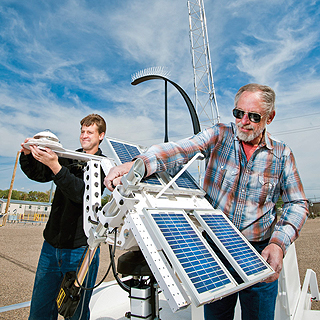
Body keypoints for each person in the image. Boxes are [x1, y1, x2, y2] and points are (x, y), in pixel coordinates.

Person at [104, 84, 308, 320]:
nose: (243, 121)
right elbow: (181, 149)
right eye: (238, 113)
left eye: (253, 116)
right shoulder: (220, 135)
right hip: (216, 250)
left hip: (260, 253)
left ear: (269, 118)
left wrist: (278, 243)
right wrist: (137, 166)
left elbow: (298, 203)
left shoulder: (282, 154)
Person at [20, 114, 107, 320]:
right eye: (82, 131)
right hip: (51, 248)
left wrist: (55, 166)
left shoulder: (103, 165)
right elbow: (39, 174)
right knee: (40, 311)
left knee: (75, 314)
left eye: (90, 132)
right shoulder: (68, 157)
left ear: (101, 136)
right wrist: (27, 155)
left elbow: (81, 194)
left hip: (81, 250)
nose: (84, 136)